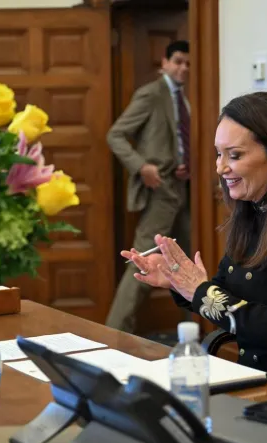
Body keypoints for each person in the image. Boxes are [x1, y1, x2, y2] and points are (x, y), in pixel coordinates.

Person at [123, 91, 267, 392]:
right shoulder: (253, 210)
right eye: (219, 154)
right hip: (253, 381)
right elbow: (225, 292)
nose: (220, 167)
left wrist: (199, 289)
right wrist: (178, 281)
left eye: (234, 155)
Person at [106, 40, 192, 333]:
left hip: (185, 190)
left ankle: (192, 333)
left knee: (188, 266)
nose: (183, 68)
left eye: (188, 63)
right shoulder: (152, 94)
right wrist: (142, 167)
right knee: (141, 261)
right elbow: (116, 135)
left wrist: (185, 162)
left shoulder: (188, 97)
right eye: (178, 61)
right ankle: (113, 334)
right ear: (164, 63)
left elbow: (180, 139)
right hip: (160, 192)